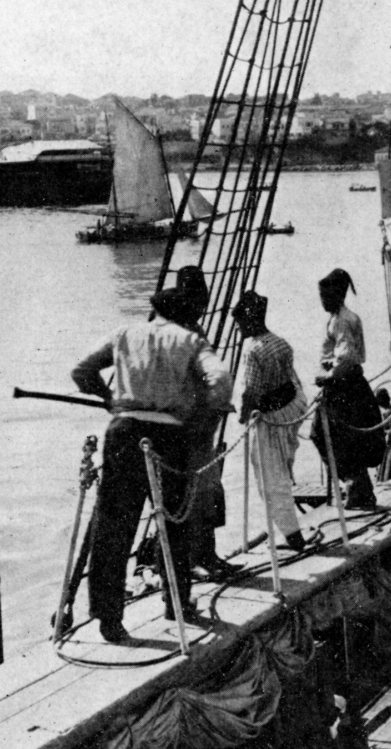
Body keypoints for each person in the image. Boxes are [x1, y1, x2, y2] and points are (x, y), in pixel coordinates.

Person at [71, 266, 233, 642]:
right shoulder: (190, 340)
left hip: (123, 434)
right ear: (184, 313)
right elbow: (220, 381)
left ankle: (109, 618)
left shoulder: (125, 333)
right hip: (169, 437)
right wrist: (199, 413)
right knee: (175, 521)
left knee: (113, 528)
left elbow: (81, 372)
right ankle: (177, 603)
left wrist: (109, 398)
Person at [232, 290, 309, 553]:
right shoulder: (281, 343)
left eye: (240, 323)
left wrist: (243, 417)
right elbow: (290, 378)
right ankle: (288, 527)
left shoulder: (253, 351)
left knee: (268, 478)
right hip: (290, 409)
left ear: (249, 320)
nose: (238, 328)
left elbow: (251, 392)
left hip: (270, 417)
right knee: (282, 470)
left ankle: (293, 536)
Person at [311, 268, 384, 511]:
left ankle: (356, 488)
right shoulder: (343, 317)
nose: (322, 300)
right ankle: (358, 489)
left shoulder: (341, 320)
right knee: (348, 440)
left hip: (343, 388)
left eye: (325, 295)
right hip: (352, 385)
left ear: (337, 295)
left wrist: (328, 377)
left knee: (325, 436)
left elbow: (347, 356)